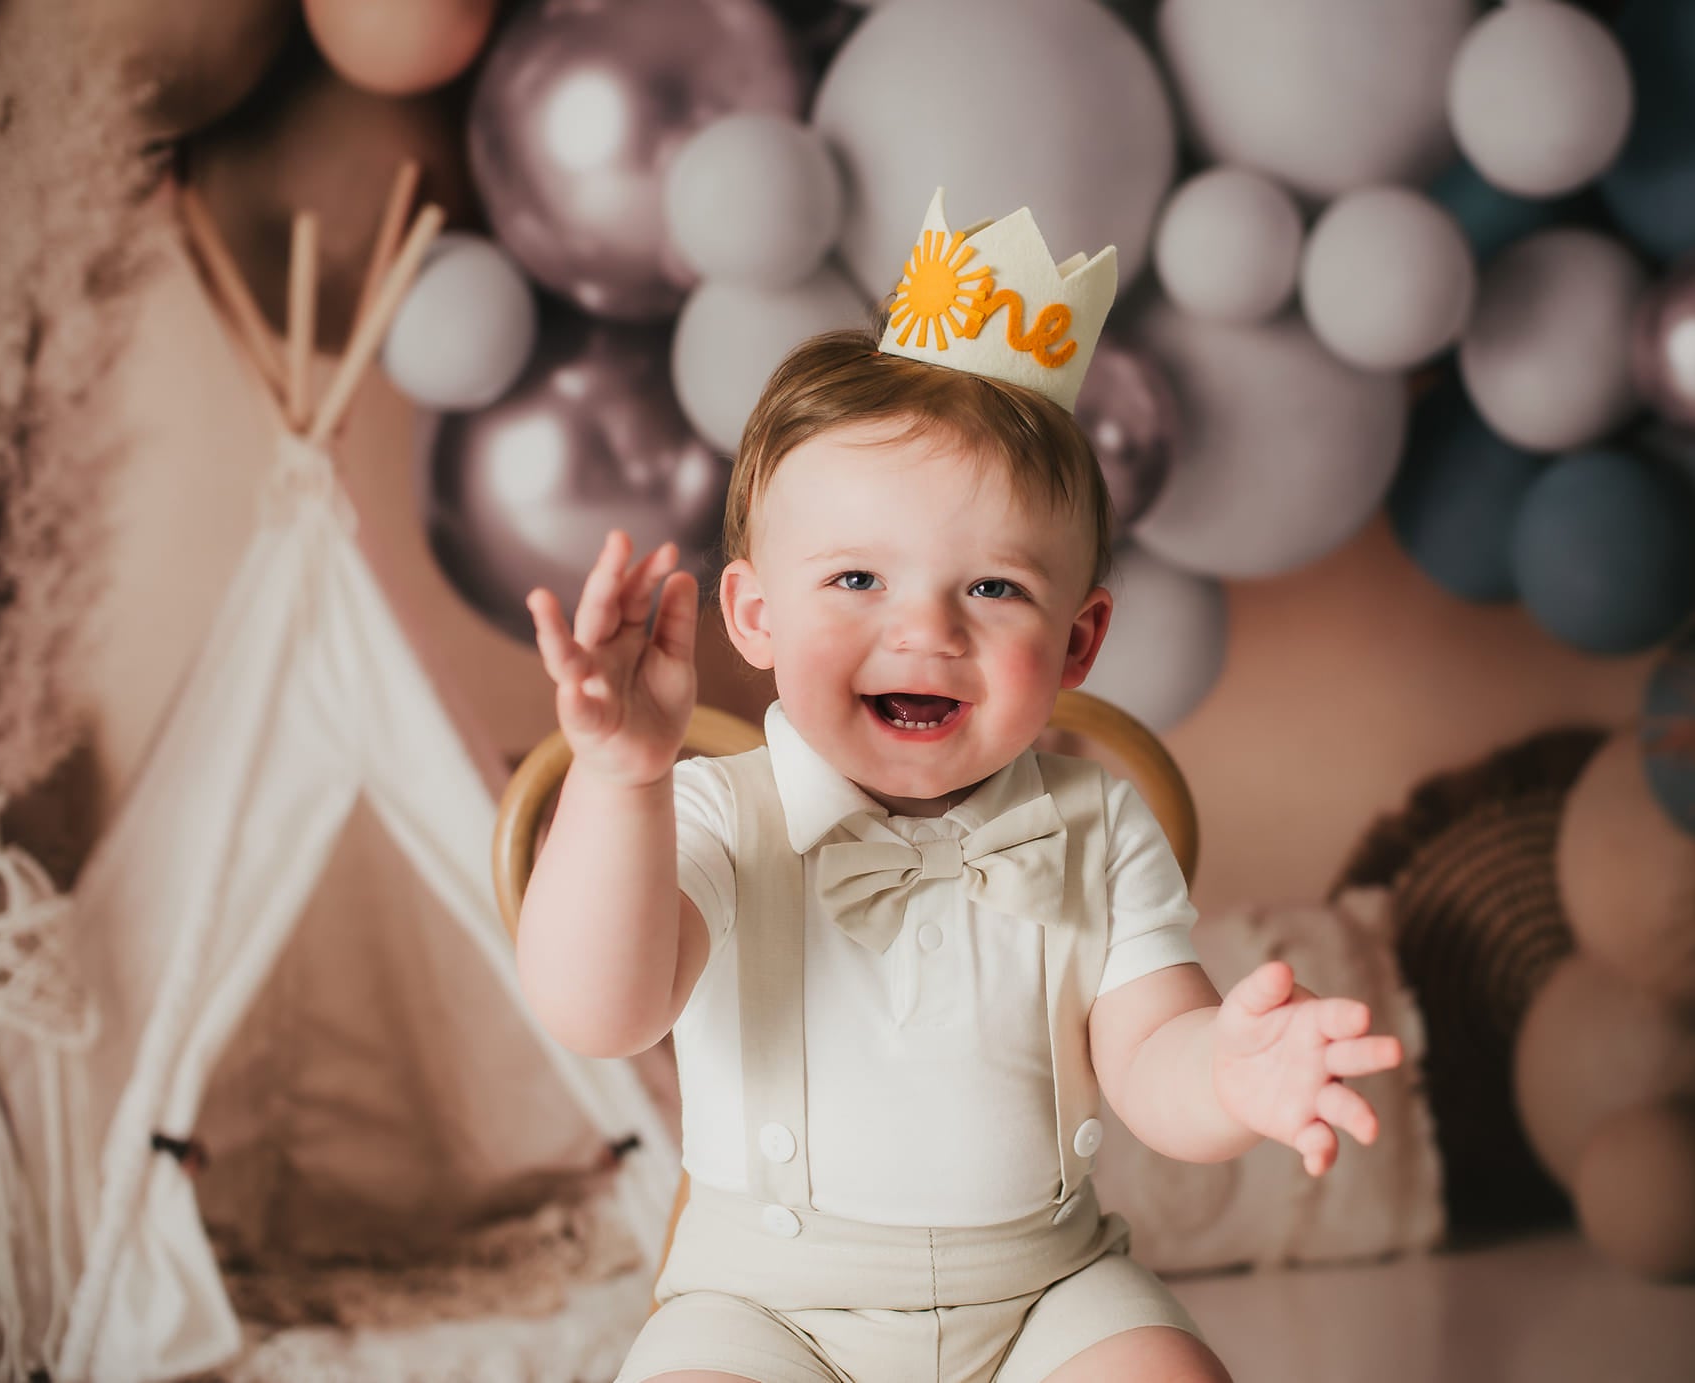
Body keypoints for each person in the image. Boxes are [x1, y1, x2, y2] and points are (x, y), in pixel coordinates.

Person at [517, 191, 1404, 1383]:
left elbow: (1148, 1059)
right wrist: (624, 778)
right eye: (856, 579)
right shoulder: (720, 814)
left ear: (1079, 644)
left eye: (991, 589)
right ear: (754, 615)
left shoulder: (1094, 826)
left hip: (1046, 1290)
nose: (924, 630)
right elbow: (598, 1010)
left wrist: (1226, 1076)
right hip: (768, 1304)